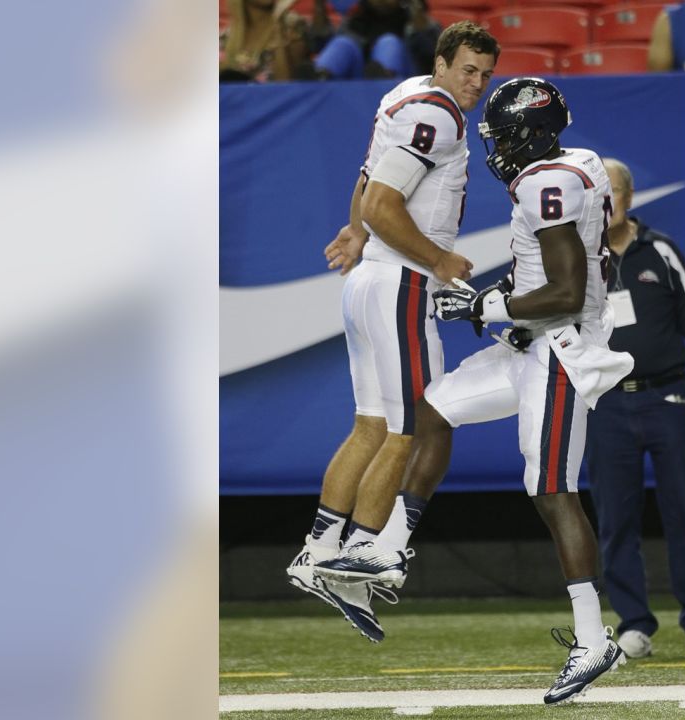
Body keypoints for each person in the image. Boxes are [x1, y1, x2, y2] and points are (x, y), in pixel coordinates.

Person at [317, 77, 636, 705]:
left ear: (536, 134)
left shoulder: (549, 182)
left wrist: (488, 304)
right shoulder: (579, 166)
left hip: (561, 349)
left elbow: (567, 291)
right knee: (433, 408)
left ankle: (593, 638)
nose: (500, 149)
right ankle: (391, 550)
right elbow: (566, 268)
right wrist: (503, 307)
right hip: (531, 340)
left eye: (508, 136)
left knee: (551, 492)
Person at [284, 21, 499, 643]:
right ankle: (359, 558)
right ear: (440, 63)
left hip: (369, 281)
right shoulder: (441, 115)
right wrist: (436, 259)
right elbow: (384, 202)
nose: (476, 85)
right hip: (401, 284)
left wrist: (354, 230)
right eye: (467, 70)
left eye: (485, 75)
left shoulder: (403, 95)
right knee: (417, 428)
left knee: (372, 426)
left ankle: (318, 550)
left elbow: (368, 180)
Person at [584, 158, 685, 659]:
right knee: (615, 517)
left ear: (629, 197)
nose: (605, 203)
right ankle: (634, 625)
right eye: (595, 194)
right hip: (607, 404)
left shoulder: (662, 251)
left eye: (612, 193)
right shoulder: (579, 258)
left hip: (670, 397)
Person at [307, 0, 442, 80]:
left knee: (388, 43)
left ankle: (384, 80)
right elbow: (319, 45)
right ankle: (318, 78)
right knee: (343, 44)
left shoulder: (415, 21)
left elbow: (434, 53)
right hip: (361, 86)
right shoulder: (356, 22)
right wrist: (319, 6)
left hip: (404, 88)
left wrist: (418, 16)